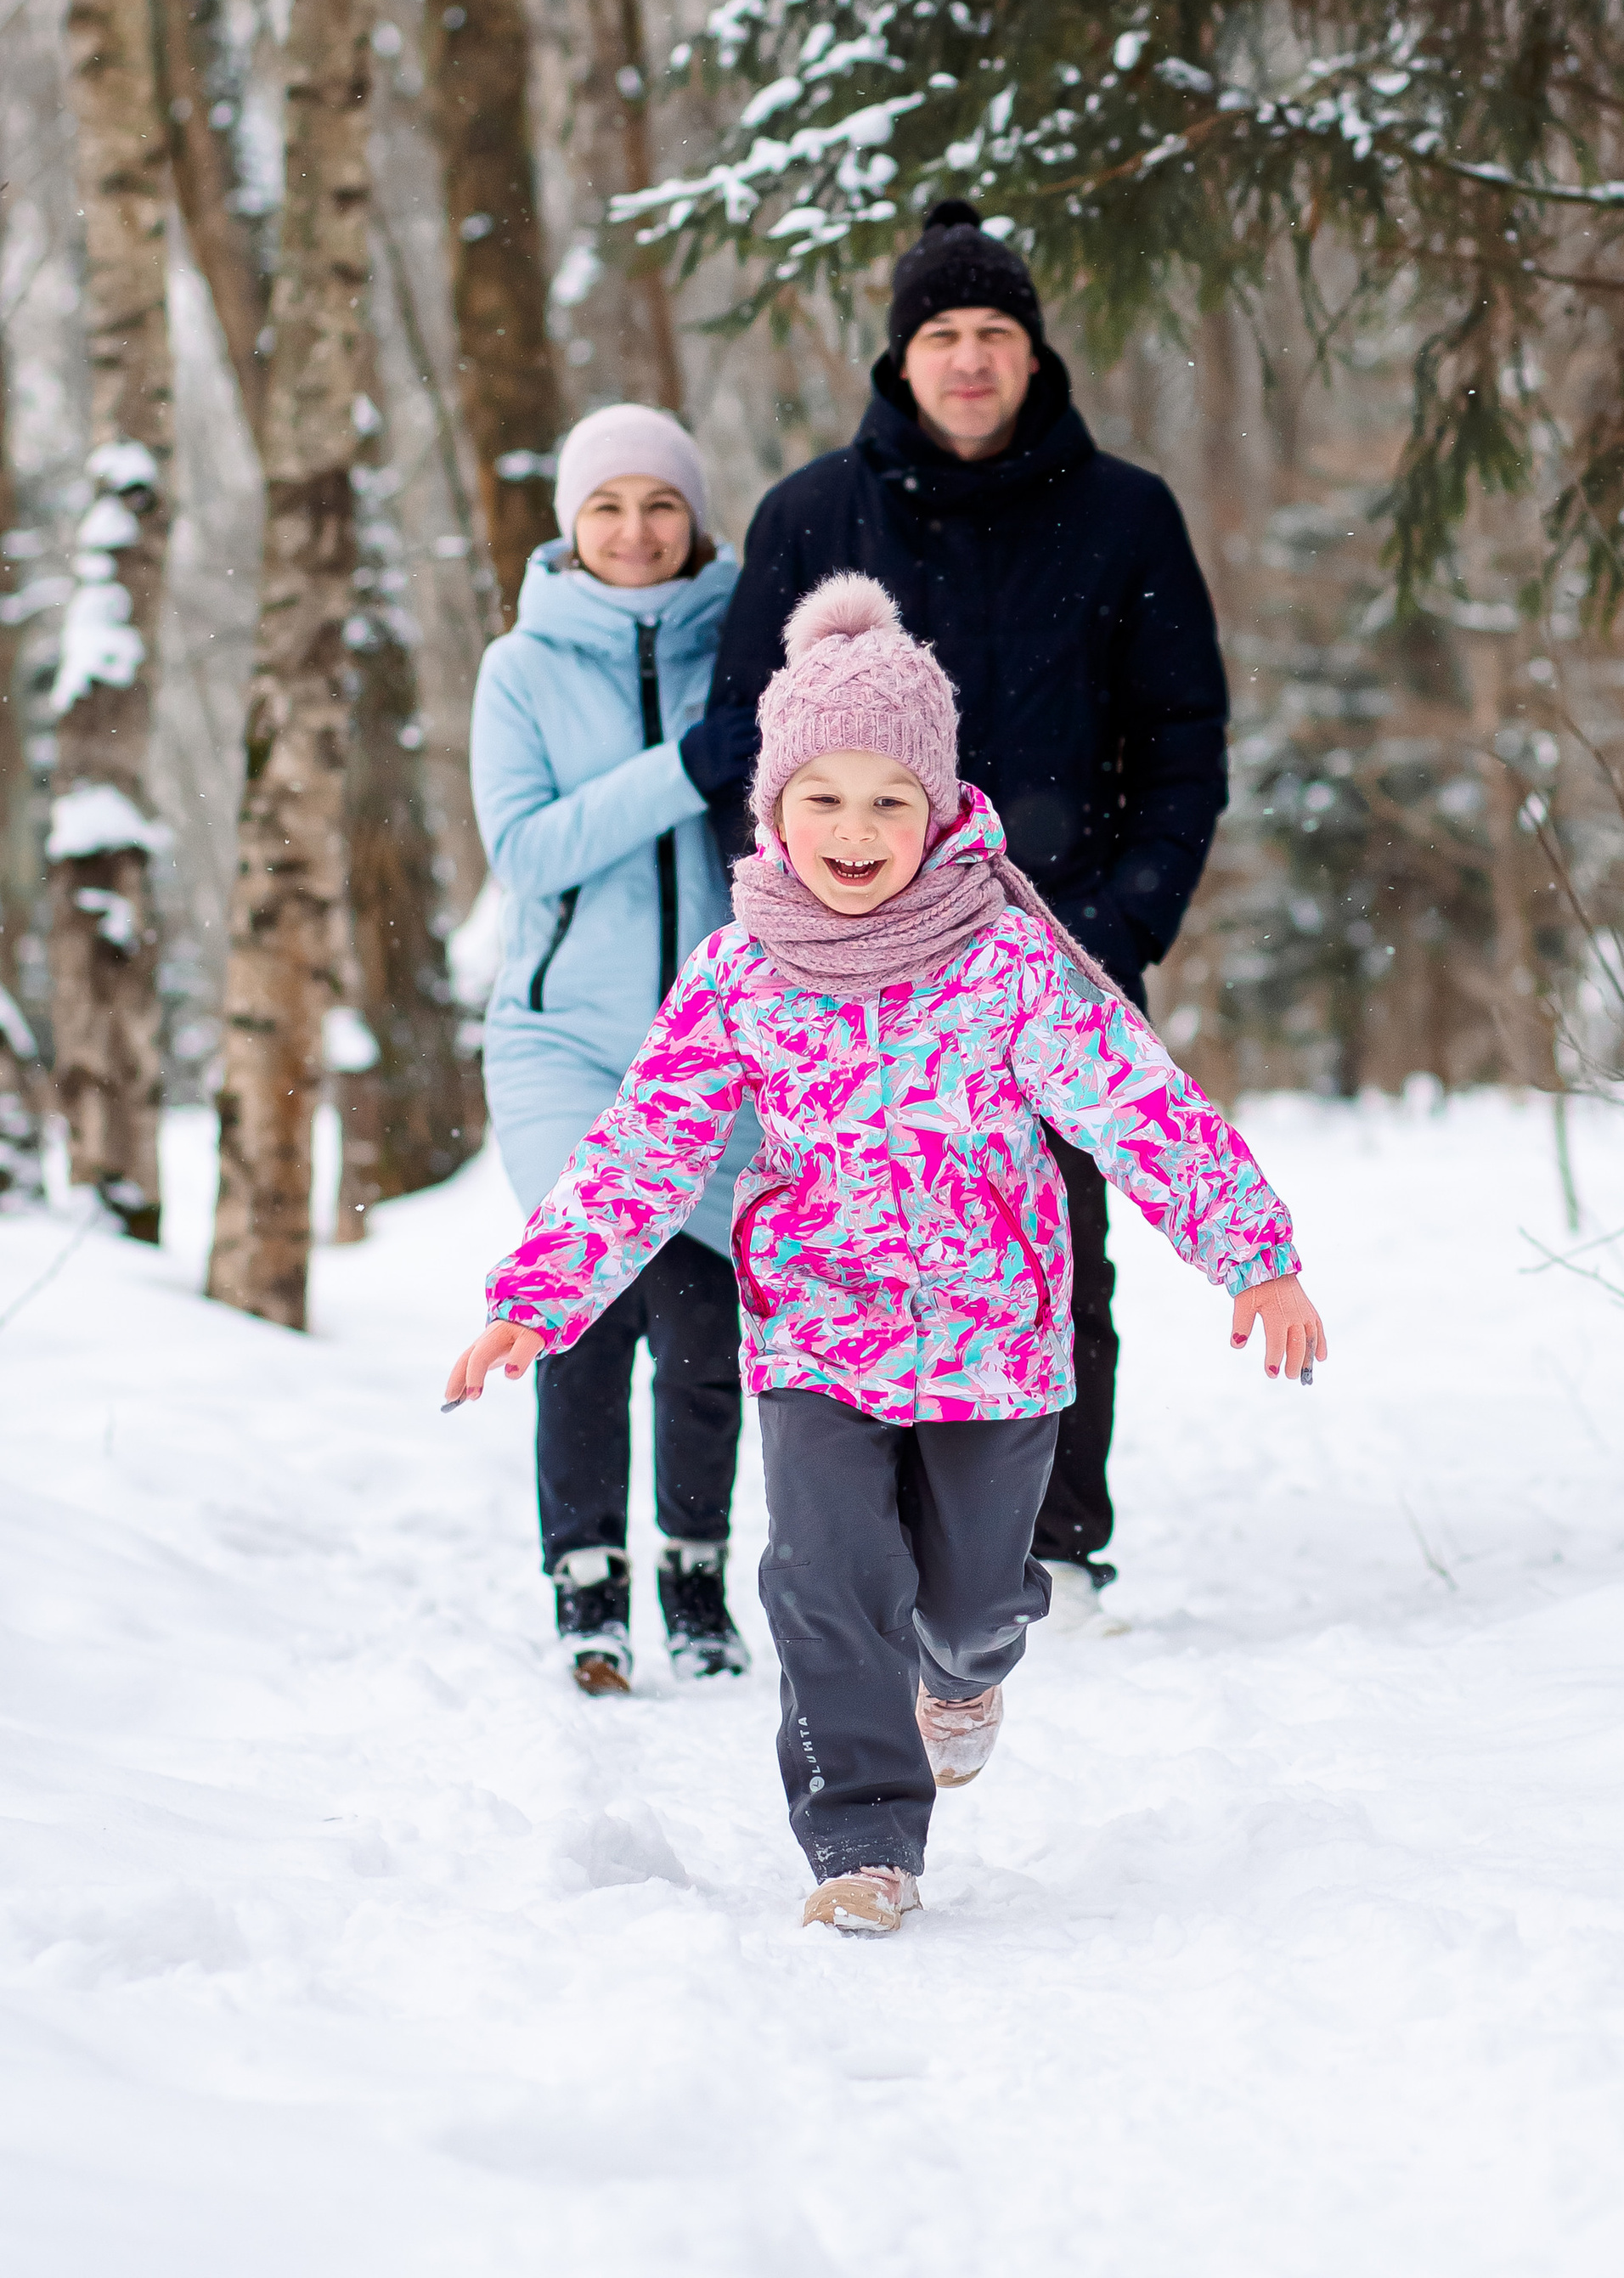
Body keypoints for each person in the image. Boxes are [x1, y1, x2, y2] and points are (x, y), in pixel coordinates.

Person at [446, 577, 1324, 1933]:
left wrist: (1252, 1255)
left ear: (938, 810)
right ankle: (861, 1842)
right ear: (773, 810)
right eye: (823, 799)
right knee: (822, 1579)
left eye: (887, 802)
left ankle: (965, 1672)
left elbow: (1140, 1105)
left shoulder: (1006, 958)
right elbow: (643, 1149)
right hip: (815, 1332)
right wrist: (537, 1298)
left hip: (996, 1343)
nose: (854, 832)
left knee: (974, 1597)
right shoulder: (740, 974)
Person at [681, 200, 1228, 1630]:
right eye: (944, 335)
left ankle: (1052, 1538)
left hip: (1058, 953)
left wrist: (1119, 922)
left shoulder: (1127, 514)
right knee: (848, 1243)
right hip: (837, 964)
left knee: (1057, 1244)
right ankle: (878, 1540)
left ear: (1034, 354)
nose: (971, 360)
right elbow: (744, 730)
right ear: (901, 355)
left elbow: (1184, 743)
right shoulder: (811, 514)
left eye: (995, 334)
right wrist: (799, 904)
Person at [468, 404, 761, 1694]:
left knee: (706, 1323)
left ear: (692, 519)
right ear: (570, 528)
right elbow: (525, 850)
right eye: (607, 507)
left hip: (713, 1053)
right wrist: (683, 768)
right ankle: (587, 1583)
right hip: (560, 1043)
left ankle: (695, 1575)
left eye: (659, 505)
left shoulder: (750, 652)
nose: (635, 531)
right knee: (582, 1301)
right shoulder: (518, 670)